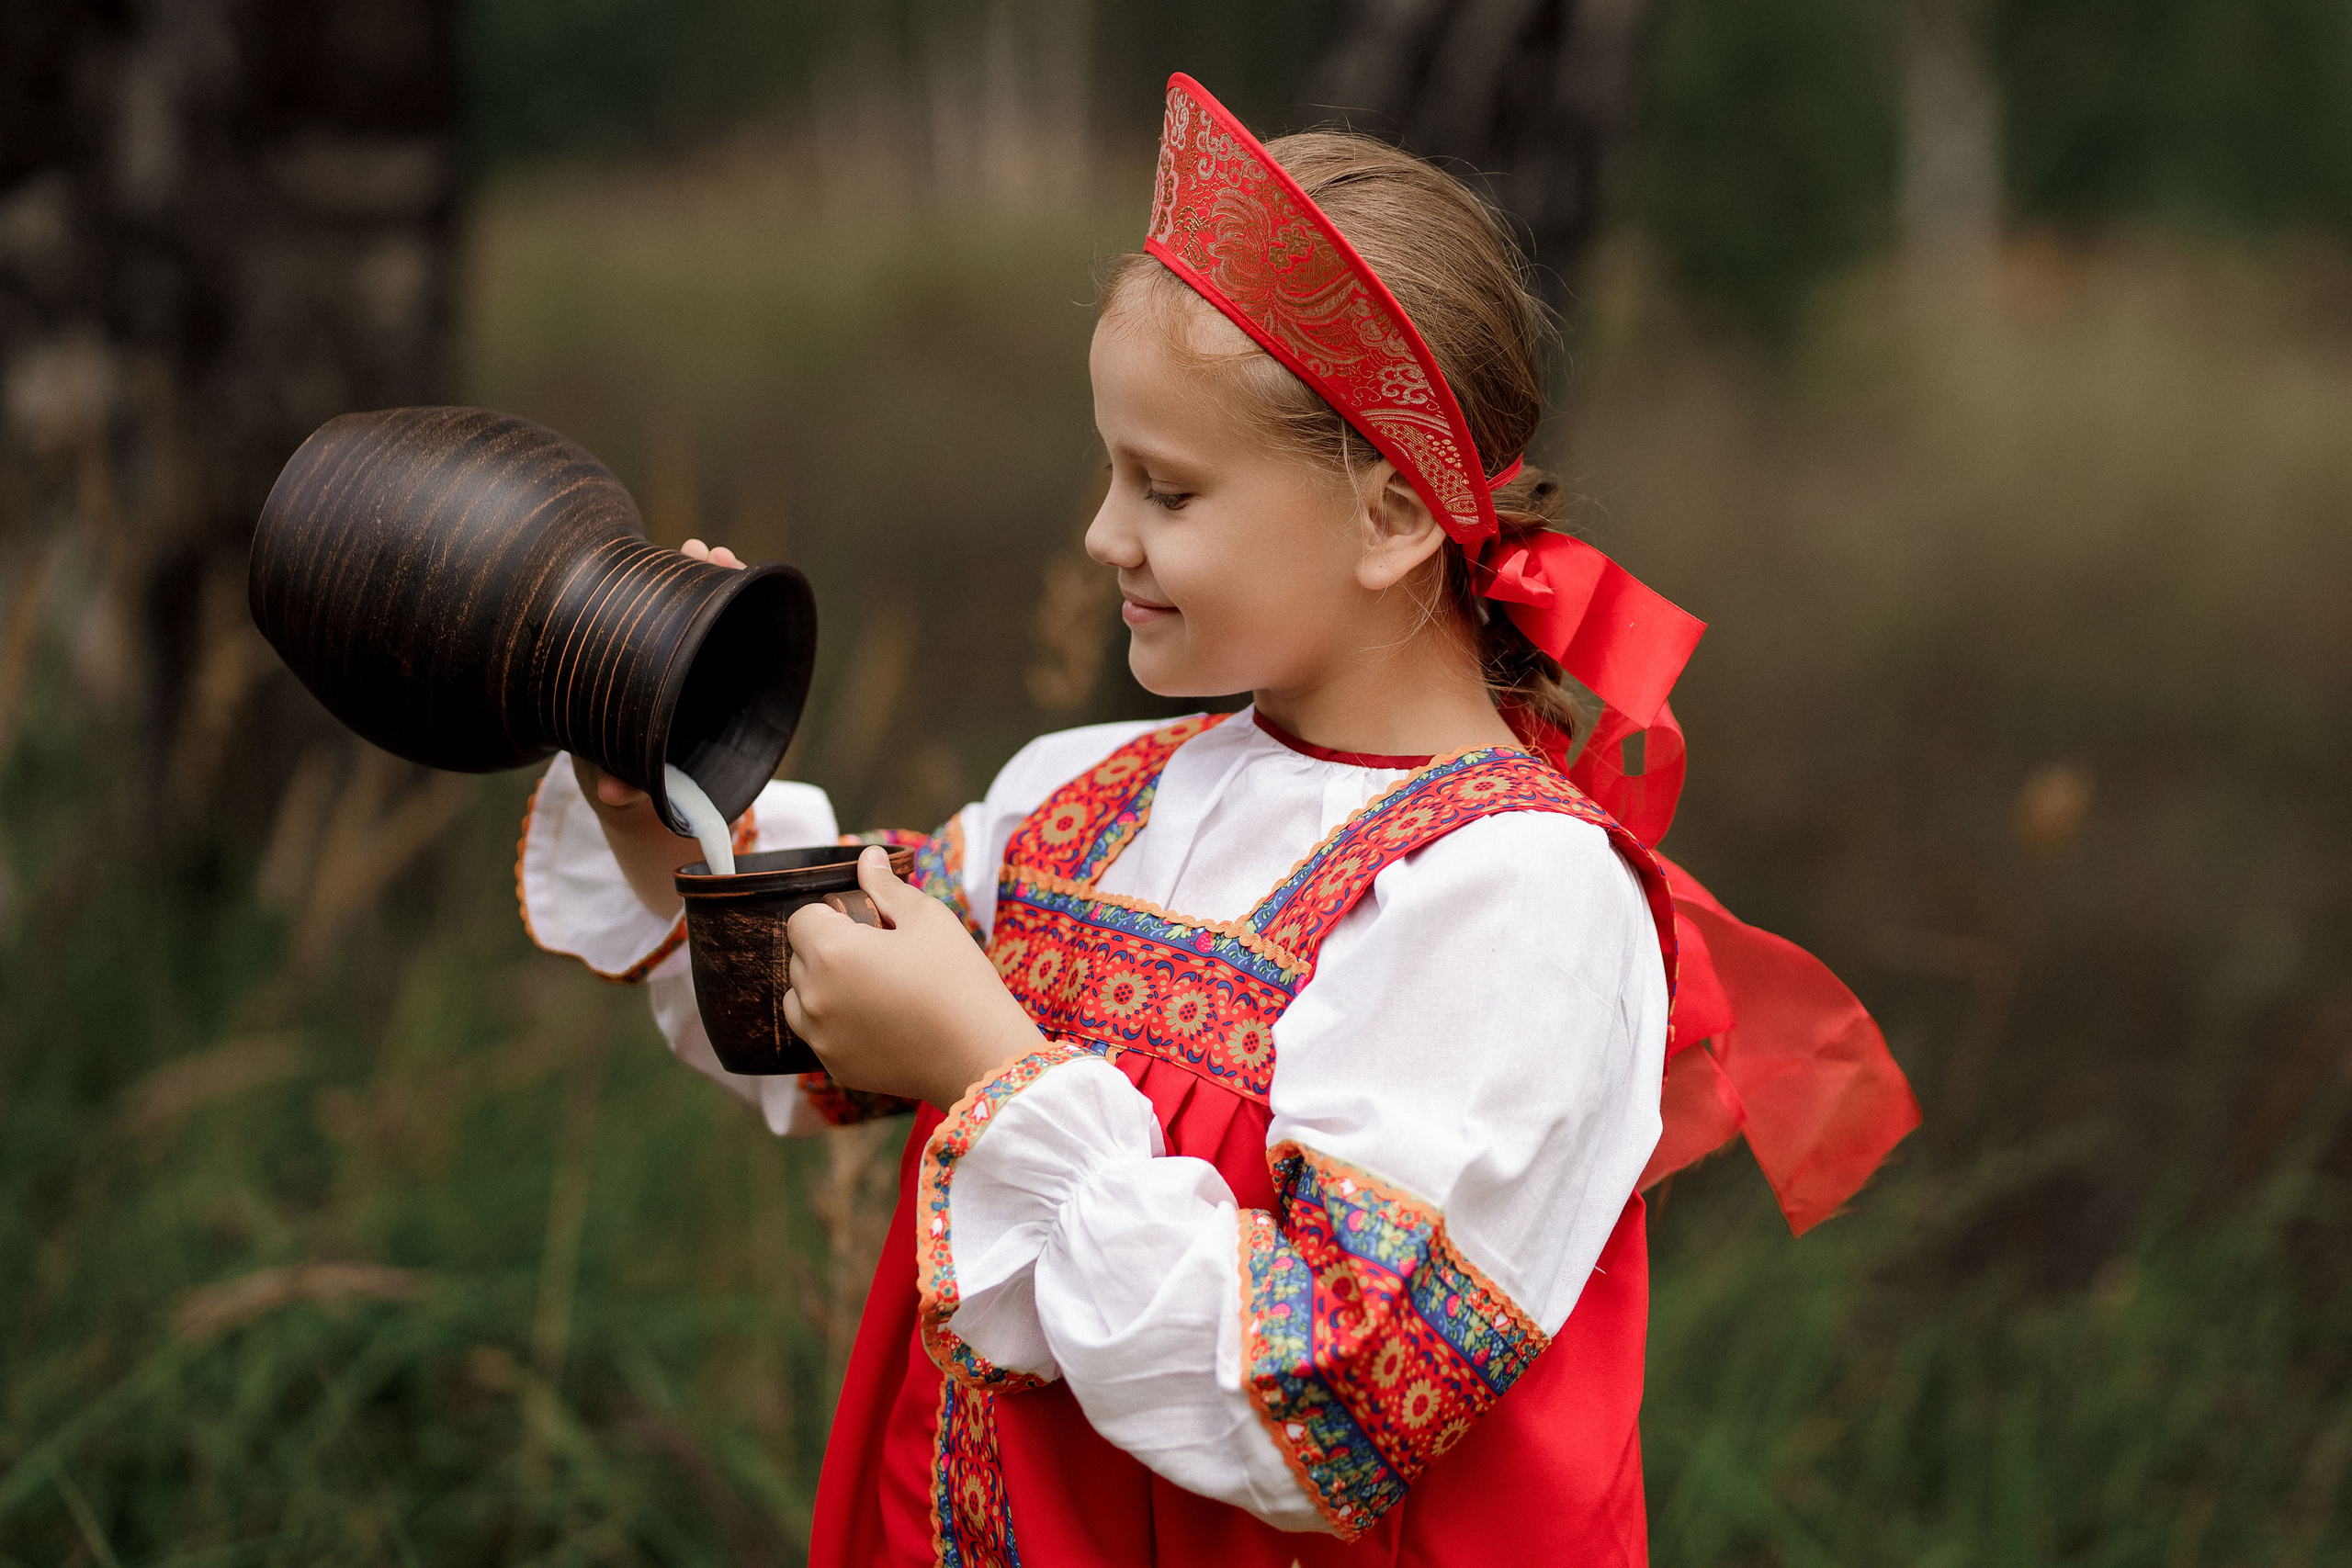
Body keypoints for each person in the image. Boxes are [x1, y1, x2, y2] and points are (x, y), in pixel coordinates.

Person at [516, 74, 1917, 1567]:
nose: (1103, 535)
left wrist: (991, 1071)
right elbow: (808, 1010)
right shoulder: (1087, 801)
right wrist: (669, 781)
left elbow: (1334, 1409)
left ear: (1386, 518)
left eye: (1167, 490)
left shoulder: (1511, 903)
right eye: (1111, 470)